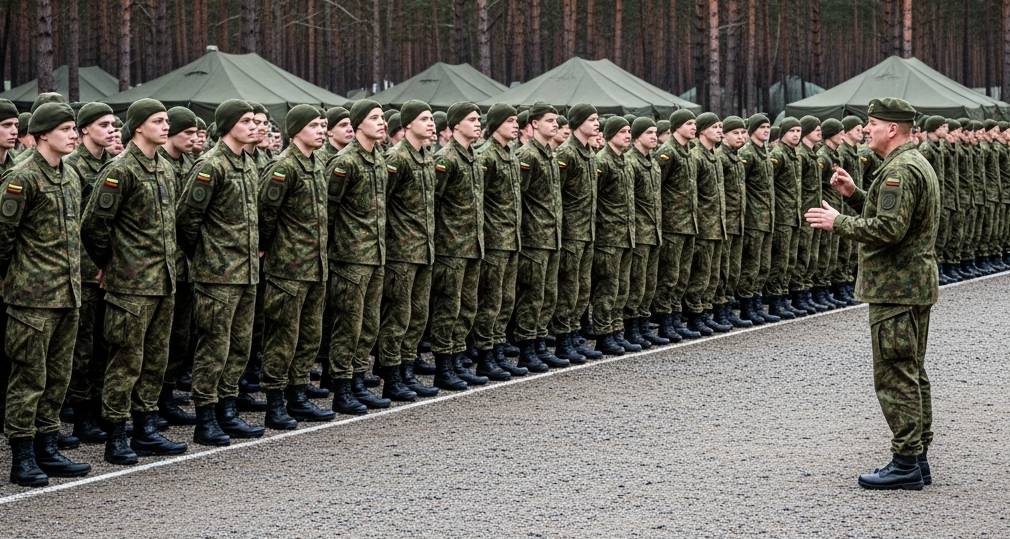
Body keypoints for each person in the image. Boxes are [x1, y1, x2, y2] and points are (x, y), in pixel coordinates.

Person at [805, 97, 939, 491]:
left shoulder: (900, 171)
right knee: (911, 371)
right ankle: (917, 458)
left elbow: (888, 230)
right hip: (911, 285)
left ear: (892, 129)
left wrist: (837, 221)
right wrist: (853, 195)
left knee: (896, 375)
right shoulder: (913, 164)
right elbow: (894, 219)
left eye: (873, 123)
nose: (866, 129)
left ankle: (906, 462)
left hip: (896, 288)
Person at [81, 98, 189, 464]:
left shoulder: (163, 168)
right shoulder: (121, 170)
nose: (165, 127)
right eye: (158, 121)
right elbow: (94, 225)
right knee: (125, 361)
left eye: (166, 121)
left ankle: (146, 428)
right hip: (130, 284)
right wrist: (110, 264)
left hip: (163, 281)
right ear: (139, 126)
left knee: (154, 360)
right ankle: (116, 434)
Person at [0, 102, 91, 487]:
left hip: (66, 294)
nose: (73, 134)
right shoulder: (22, 178)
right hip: (32, 299)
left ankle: (46, 447)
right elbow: (2, 237)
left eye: (74, 127)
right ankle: (22, 457)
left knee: (57, 377)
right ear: (41, 135)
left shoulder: (69, 175)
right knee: (28, 378)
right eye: (66, 128)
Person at [176, 99, 265, 446]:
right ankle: (206, 417)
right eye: (245, 121)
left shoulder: (247, 163)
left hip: (246, 272)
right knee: (213, 346)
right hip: (217, 274)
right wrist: (206, 253)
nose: (252, 126)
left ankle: (228, 409)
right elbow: (187, 219)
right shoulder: (210, 166)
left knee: (239, 346)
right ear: (228, 125)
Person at [256, 104, 335, 429]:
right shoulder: (282, 168)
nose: (321, 130)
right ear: (296, 130)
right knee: (283, 337)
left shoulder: (317, 164)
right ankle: (275, 403)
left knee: (308, 336)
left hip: (315, 266)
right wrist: (272, 248)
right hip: (288, 269)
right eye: (314, 125)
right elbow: (265, 214)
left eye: (323, 125)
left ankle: (298, 396)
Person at [324, 99, 392, 413]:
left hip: (375, 254)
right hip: (350, 256)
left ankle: (357, 380)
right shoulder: (344, 162)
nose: (382, 123)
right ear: (358, 125)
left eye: (382, 117)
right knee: (348, 325)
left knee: (368, 325)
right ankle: (341, 387)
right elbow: (328, 210)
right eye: (374, 118)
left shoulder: (379, 157)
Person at [378, 100, 443, 398]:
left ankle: (406, 370)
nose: (431, 124)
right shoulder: (397, 158)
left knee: (417, 315)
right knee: (398, 317)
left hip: (424, 250)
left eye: (432, 119)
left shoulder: (426, 157)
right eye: (424, 119)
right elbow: (383, 204)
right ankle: (392, 378)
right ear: (407, 126)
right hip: (401, 252)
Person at [61, 102, 118, 444]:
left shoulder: (114, 166)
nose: (113, 130)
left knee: (105, 345)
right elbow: (76, 226)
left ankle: (99, 409)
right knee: (81, 350)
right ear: (84, 130)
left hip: (110, 270)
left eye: (114, 124)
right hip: (83, 272)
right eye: (104, 125)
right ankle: (81, 416)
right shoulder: (72, 168)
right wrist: (94, 264)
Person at [472, 103, 528, 380]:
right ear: (496, 124)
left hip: (511, 238)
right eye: (509, 121)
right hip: (494, 240)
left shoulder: (510, 154)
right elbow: (477, 201)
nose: (516, 125)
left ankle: (496, 351)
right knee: (490, 301)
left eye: (517, 120)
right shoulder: (486, 156)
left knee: (505, 301)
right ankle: (484, 356)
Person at [514, 102, 567, 369]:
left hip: (552, 236)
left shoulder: (550, 155)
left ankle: (539, 342)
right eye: (549, 120)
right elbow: (518, 199)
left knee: (548, 295)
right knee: (532, 295)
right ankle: (526, 347)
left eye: (556, 120)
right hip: (534, 239)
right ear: (534, 124)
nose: (555, 124)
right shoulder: (527, 155)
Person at [157, 106, 200, 427]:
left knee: (180, 337)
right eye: (187, 132)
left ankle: (166, 393)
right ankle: (149, 399)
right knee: (156, 338)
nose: (194, 138)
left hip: (187, 266)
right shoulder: (159, 166)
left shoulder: (190, 164)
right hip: (159, 268)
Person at [550, 103, 604, 360]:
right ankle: (563, 340)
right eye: (591, 119)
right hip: (571, 233)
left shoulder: (589, 153)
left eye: (597, 119)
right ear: (578, 122)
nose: (597, 123)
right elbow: (556, 196)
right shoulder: (566, 153)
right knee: (568, 288)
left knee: (582, 289)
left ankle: (574, 335)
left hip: (587, 232)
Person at [590, 116, 639, 355]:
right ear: (609, 135)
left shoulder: (625, 162)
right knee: (606, 289)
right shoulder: (602, 161)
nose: (627, 135)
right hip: (608, 237)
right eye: (622, 132)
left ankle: (617, 330)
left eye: (629, 131)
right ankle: (603, 334)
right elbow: (594, 200)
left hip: (625, 235)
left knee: (621, 288)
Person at [651, 110, 700, 340]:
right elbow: (656, 189)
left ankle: (675, 317)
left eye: (694, 123)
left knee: (681, 276)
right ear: (676, 127)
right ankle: (664, 322)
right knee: (668, 277)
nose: (693, 127)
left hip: (688, 224)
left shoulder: (689, 152)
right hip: (672, 225)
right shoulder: (667, 153)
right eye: (689, 123)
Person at [623, 117, 669, 347]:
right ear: (637, 136)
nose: (654, 136)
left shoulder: (652, 161)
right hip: (638, 232)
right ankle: (631, 328)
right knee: (636, 281)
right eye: (649, 132)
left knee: (649, 283)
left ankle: (642, 325)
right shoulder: (630, 162)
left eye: (655, 132)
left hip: (653, 231)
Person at [682, 113, 729, 335]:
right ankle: (694, 317)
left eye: (720, 127)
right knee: (699, 274)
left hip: (716, 225)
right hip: (701, 226)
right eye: (714, 127)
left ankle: (705, 313)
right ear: (702, 132)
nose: (720, 130)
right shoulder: (696, 157)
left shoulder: (714, 156)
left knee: (711, 274)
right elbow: (692, 195)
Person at [736, 114, 780, 325]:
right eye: (761, 127)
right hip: (753, 219)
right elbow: (740, 186)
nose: (766, 130)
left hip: (766, 217)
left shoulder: (764, 152)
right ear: (752, 129)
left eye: (768, 127)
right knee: (751, 265)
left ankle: (756, 302)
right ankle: (747, 307)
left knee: (763, 265)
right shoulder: (747, 153)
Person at [714, 116, 753, 329]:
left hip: (737, 221)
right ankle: (720, 311)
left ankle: (727, 308)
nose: (740, 137)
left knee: (733, 268)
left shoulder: (736, 157)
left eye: (742, 132)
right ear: (725, 135)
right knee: (722, 268)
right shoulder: (720, 157)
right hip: (723, 223)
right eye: (735, 133)